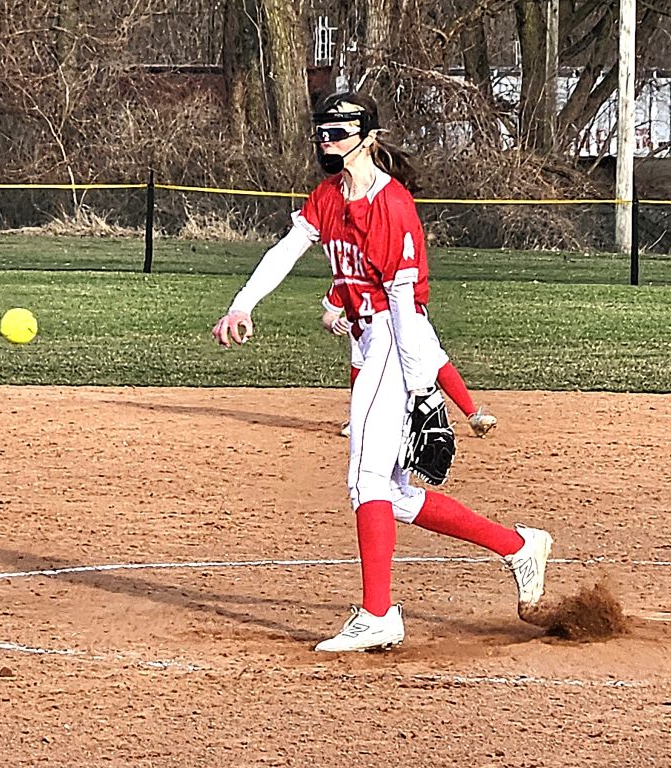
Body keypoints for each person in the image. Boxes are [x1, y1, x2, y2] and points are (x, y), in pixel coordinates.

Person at [212, 91, 554, 653]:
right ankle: (518, 546)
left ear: (368, 137)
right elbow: (285, 250)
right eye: (323, 132)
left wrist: (421, 386)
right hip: (373, 337)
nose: (329, 141)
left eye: (341, 132)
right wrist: (242, 304)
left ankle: (378, 614)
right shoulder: (329, 195)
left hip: (394, 340)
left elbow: (403, 303)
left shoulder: (390, 204)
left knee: (365, 482)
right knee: (391, 493)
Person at [320, 283, 497, 439]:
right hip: (367, 326)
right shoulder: (347, 274)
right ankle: (360, 422)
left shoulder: (393, 266)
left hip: (407, 319)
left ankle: (473, 416)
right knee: (362, 363)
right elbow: (328, 316)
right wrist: (334, 324)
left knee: (435, 359)